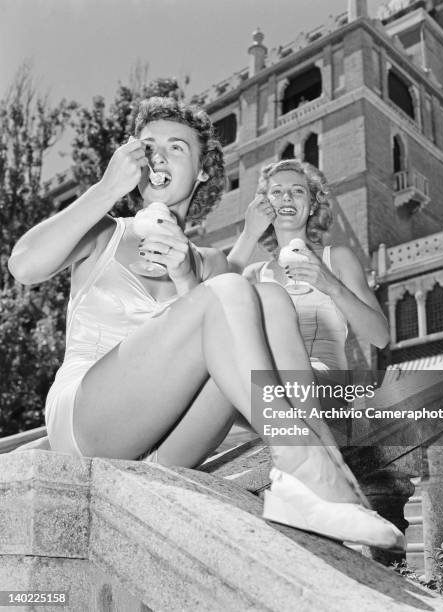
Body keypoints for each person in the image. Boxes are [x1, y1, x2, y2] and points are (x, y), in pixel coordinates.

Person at [8, 98, 403, 550]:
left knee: (269, 298)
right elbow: (24, 266)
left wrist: (184, 277)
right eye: (148, 145)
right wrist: (104, 189)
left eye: (176, 147)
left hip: (168, 449)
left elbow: (227, 352)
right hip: (87, 423)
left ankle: (320, 471)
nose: (158, 155)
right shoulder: (104, 232)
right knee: (232, 292)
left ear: (201, 173)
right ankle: (309, 471)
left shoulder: (212, 262)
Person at [228, 159, 390, 442]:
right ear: (264, 207)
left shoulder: (336, 259)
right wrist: (248, 233)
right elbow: (211, 295)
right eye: (276, 192)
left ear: (313, 205)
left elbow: (380, 337)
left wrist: (331, 286)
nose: (287, 197)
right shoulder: (255, 274)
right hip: (268, 389)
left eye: (298, 191)